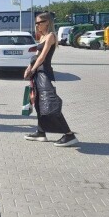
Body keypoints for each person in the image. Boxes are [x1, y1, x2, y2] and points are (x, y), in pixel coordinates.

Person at [24, 12, 79, 147]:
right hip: (37, 74)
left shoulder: (51, 36)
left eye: (39, 23)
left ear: (47, 22)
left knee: (50, 104)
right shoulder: (42, 36)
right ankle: (41, 132)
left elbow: (42, 57)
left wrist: (32, 70)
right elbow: (36, 56)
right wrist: (28, 68)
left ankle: (69, 135)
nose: (37, 25)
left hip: (44, 73)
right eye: (36, 23)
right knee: (38, 104)